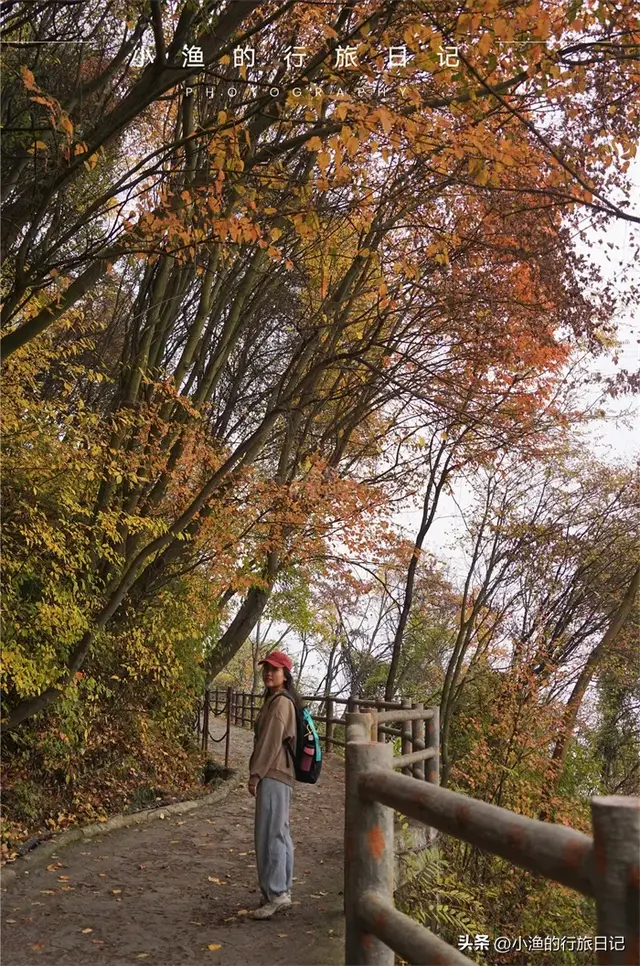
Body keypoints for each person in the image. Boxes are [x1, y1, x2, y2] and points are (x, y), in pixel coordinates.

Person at [248, 650, 299, 920]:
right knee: (280, 831)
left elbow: (269, 743)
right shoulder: (279, 700)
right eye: (266, 668)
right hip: (280, 773)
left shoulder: (280, 704)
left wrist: (255, 774)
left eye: (275, 669)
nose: (269, 672)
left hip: (274, 773)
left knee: (270, 834)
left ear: (285, 675)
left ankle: (276, 893)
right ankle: (281, 890)